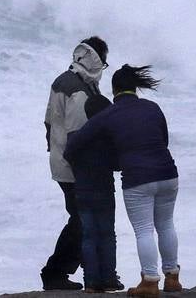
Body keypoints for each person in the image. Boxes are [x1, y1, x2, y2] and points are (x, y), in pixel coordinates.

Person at [67, 65, 182, 296]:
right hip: (168, 174)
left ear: (114, 90)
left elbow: (75, 145)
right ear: (135, 88)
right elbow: (164, 139)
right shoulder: (153, 107)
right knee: (166, 224)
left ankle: (150, 281)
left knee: (144, 230)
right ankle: (172, 278)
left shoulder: (109, 114)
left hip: (138, 179)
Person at [41, 37, 118, 291]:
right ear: (97, 61)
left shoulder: (62, 80)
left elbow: (49, 122)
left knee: (80, 219)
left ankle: (89, 272)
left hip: (60, 161)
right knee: (82, 221)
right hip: (75, 167)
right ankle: (57, 271)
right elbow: (79, 135)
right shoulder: (80, 91)